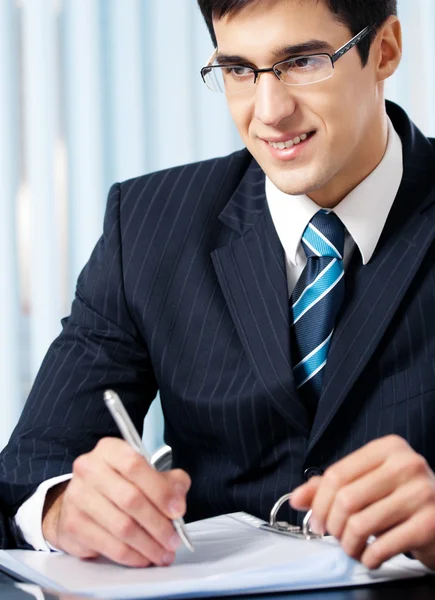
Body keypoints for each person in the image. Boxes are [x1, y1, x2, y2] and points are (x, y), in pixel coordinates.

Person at [1, 0, 435, 572]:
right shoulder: (149, 226)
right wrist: (62, 508)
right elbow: (29, 467)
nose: (269, 111)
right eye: (237, 70)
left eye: (302, 62)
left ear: (385, 51)